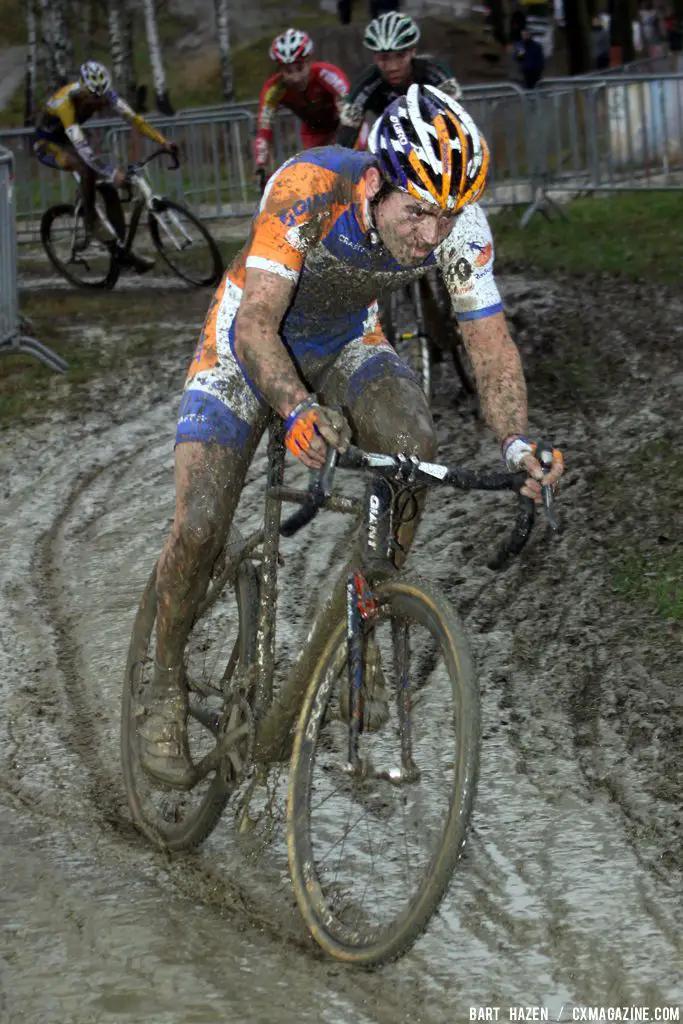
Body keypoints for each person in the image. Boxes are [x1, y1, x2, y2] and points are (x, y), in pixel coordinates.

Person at [134, 82, 564, 789]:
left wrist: (516, 443)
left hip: (344, 341)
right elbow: (255, 324)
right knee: (203, 523)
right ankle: (165, 685)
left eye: (446, 215)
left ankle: (350, 634)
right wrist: (298, 408)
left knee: (410, 443)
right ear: (373, 182)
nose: (430, 235)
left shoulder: (458, 226)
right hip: (248, 344)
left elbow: (487, 343)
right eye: (418, 212)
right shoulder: (306, 187)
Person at [32, 60, 178, 274]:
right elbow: (83, 149)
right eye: (94, 99)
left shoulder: (105, 94)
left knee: (109, 190)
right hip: (48, 144)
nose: (100, 103)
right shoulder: (65, 104)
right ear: (84, 92)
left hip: (68, 137)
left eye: (103, 97)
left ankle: (122, 251)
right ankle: (91, 220)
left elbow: (135, 120)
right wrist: (112, 172)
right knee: (86, 167)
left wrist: (162, 141)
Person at [336, 12, 462, 149]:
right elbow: (346, 137)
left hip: (435, 140)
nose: (392, 67)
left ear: (413, 51)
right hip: (393, 146)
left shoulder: (434, 72)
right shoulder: (367, 83)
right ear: (374, 57)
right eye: (383, 58)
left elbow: (456, 121)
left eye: (400, 56)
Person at [253, 29, 349, 183]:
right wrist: (262, 165)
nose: (296, 77)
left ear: (310, 61)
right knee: (316, 180)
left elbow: (350, 114)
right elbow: (264, 129)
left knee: (354, 166)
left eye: (300, 68)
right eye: (288, 71)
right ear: (279, 70)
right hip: (314, 133)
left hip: (343, 126)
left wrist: (345, 142)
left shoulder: (326, 74)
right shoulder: (275, 89)